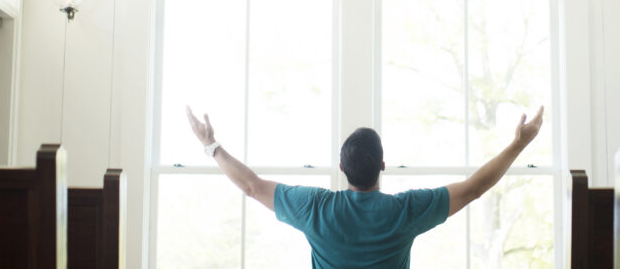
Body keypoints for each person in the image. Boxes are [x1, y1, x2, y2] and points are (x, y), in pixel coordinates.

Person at [185, 105, 544, 268]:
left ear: (342, 168)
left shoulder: (314, 208)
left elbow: (251, 186)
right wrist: (518, 144)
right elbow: (473, 189)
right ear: (382, 167)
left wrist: (211, 146)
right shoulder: (405, 211)